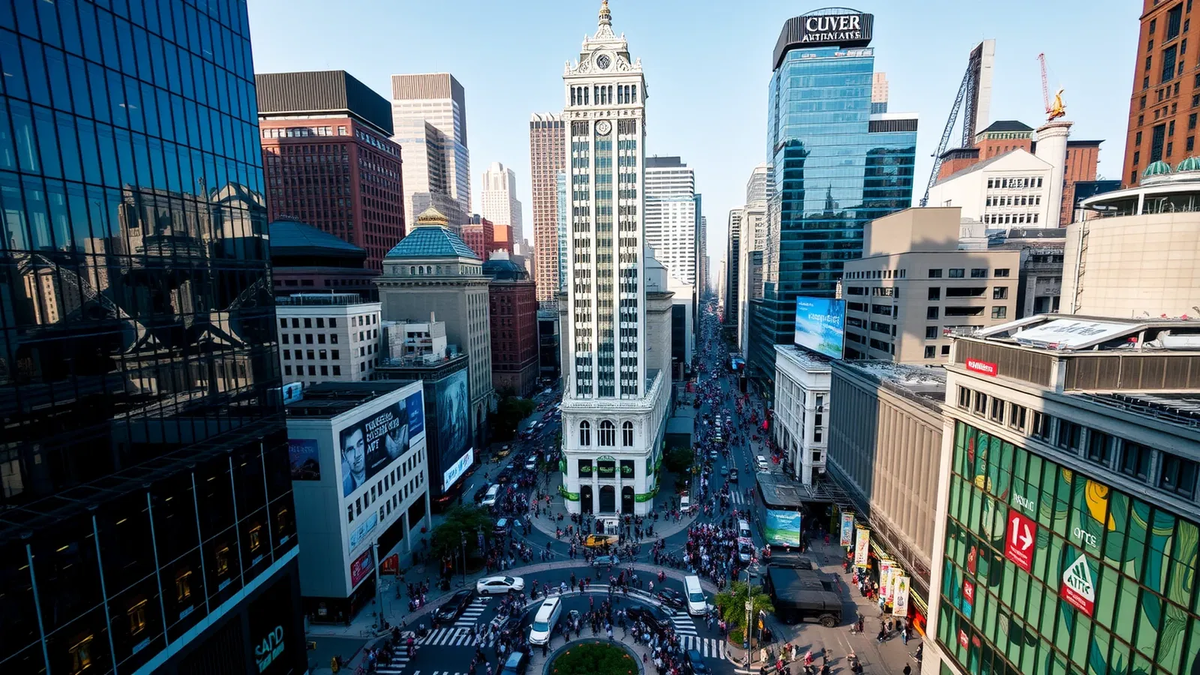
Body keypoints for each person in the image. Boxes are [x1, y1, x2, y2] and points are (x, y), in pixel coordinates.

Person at [341, 427, 366, 494]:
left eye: (360, 444)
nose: (357, 455)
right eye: (350, 449)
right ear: (344, 455)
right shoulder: (343, 489)